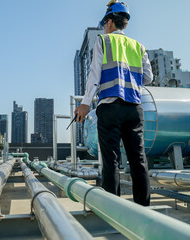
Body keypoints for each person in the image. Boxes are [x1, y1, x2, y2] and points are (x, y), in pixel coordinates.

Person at [74, 0, 153, 206]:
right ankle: (143, 209)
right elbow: (148, 77)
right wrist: (130, 82)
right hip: (134, 108)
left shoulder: (103, 41)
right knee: (138, 160)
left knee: (111, 161)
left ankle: (114, 210)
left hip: (110, 106)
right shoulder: (138, 46)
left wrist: (84, 104)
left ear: (109, 22)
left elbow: (94, 75)